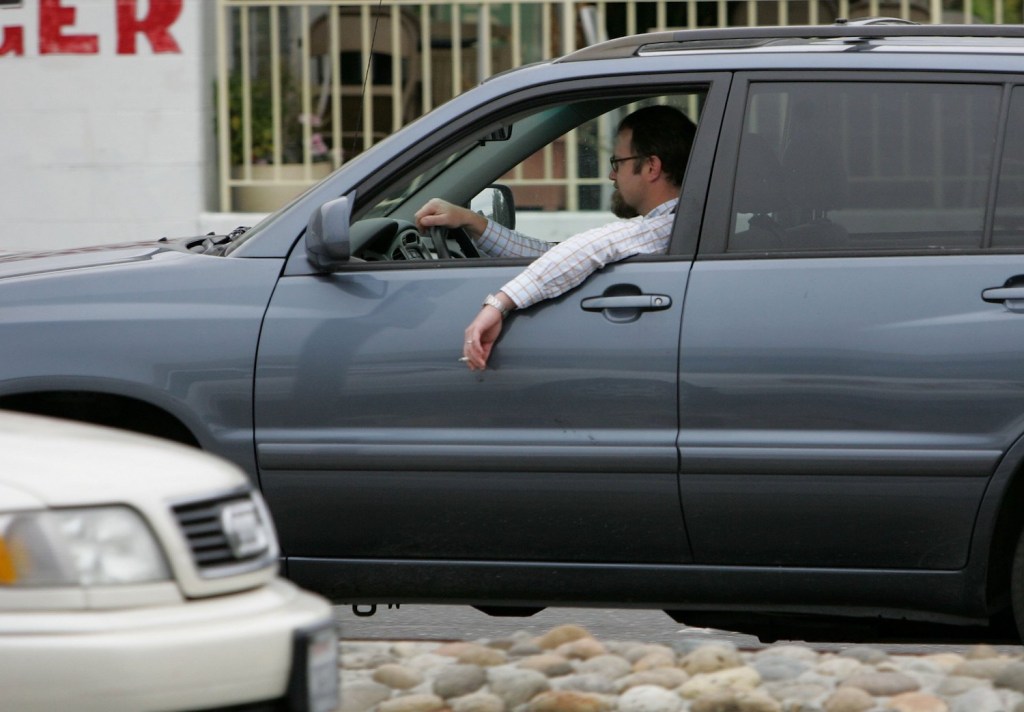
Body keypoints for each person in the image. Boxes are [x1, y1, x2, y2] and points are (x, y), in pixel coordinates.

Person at [414, 104, 697, 370]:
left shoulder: (671, 226)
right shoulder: (682, 226)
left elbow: (593, 247)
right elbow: (556, 258)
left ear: (651, 167)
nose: (612, 175)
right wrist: (473, 222)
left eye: (618, 162)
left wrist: (499, 303)